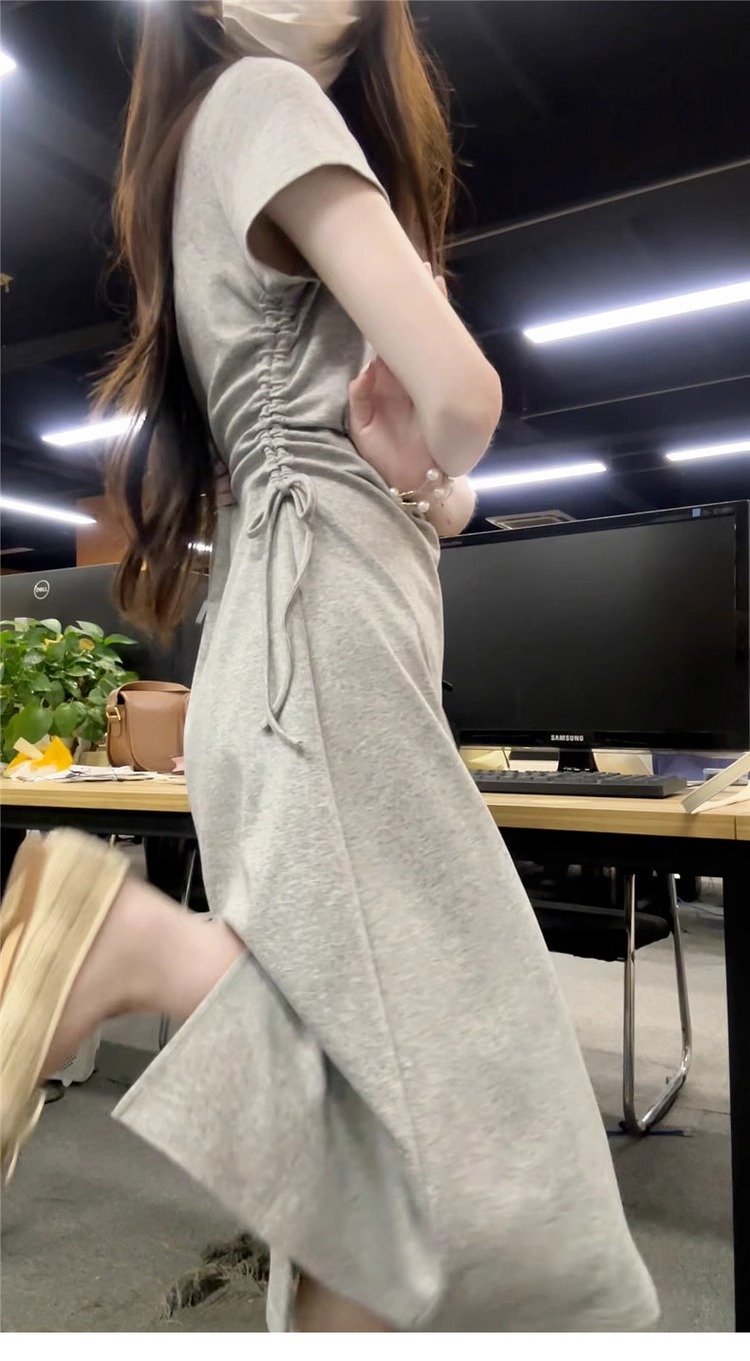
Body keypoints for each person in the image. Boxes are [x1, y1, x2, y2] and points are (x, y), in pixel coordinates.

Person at [0, 0, 659, 1333]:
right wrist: (440, 433)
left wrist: (423, 466)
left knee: (381, 1085)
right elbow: (465, 400)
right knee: (464, 1088)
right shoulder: (263, 101)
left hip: (302, 628)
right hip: (324, 635)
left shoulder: (216, 139)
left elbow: (427, 474)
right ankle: (143, 946)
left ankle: (146, 953)